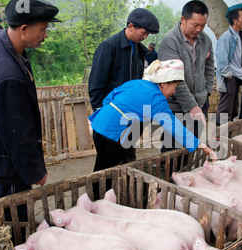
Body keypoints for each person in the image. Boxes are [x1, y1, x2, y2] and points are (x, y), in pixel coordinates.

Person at [0, 0, 60, 225]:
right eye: (43, 29)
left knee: (5, 205)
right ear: (24, 30)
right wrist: (36, 171)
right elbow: (17, 134)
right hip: (8, 162)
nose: (45, 36)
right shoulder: (8, 77)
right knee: (16, 214)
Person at [88, 59, 217, 172]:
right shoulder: (157, 99)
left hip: (98, 126)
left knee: (106, 163)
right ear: (164, 83)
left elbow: (108, 98)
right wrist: (203, 146)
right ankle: (96, 197)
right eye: (175, 86)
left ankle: (102, 193)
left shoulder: (136, 83)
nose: (174, 92)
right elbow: (174, 127)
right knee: (107, 170)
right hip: (112, 134)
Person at [88, 8, 159, 187]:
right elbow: (96, 87)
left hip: (132, 118)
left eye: (148, 34)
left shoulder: (140, 52)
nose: (145, 37)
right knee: (107, 163)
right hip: (112, 117)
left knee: (127, 157)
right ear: (131, 27)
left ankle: (122, 196)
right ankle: (99, 199)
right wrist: (103, 118)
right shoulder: (109, 47)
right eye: (143, 33)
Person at [158, 0, 214, 152]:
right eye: (195, 25)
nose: (199, 29)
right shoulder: (170, 41)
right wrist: (192, 106)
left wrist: (207, 90)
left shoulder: (206, 40)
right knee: (173, 143)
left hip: (201, 99)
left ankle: (187, 170)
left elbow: (209, 67)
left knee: (193, 141)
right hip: (177, 103)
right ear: (183, 19)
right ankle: (168, 171)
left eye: (203, 25)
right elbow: (174, 78)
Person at [215, 8, 242, 125]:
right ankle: (220, 136)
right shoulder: (226, 37)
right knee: (225, 107)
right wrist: (228, 75)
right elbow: (222, 59)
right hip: (229, 76)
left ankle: (228, 132)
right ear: (235, 21)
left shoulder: (238, 36)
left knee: (233, 107)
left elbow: (235, 55)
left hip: (235, 75)